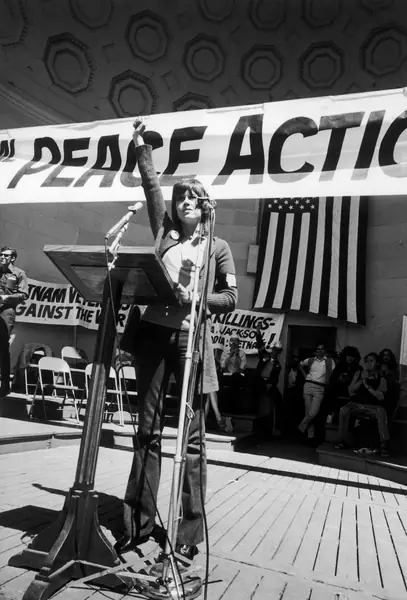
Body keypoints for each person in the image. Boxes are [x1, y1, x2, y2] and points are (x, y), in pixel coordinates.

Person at [116, 120, 237, 565]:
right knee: (146, 431)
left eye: (193, 197)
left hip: (190, 341)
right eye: (181, 196)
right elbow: (151, 188)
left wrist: (201, 297)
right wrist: (142, 148)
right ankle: (137, 523)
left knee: (192, 440)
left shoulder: (218, 246)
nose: (185, 202)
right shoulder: (163, 231)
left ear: (206, 205)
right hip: (152, 335)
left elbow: (231, 296)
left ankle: (188, 532)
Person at [335, 352, 390, 456]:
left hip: (373, 405)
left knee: (381, 412)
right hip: (357, 403)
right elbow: (350, 390)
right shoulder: (359, 374)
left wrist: (368, 386)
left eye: (371, 361)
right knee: (343, 410)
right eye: (367, 361)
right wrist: (361, 381)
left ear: (377, 363)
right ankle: (343, 440)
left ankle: (384, 444)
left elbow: (380, 396)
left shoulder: (381, 378)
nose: (368, 363)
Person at [0, 246, 28, 397]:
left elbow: (24, 295)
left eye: (6, 255)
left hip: (6, 311)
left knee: (3, 347)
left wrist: (7, 298)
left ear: (12, 258)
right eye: (1, 254)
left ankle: (4, 385)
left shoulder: (19, 273)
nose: (2, 257)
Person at [297, 342, 335, 443]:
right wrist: (305, 375)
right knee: (308, 412)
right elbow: (300, 364)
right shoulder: (311, 360)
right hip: (308, 385)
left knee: (313, 413)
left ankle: (300, 428)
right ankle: (310, 437)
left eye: (321, 349)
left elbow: (334, 374)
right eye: (318, 349)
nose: (319, 350)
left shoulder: (330, 361)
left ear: (325, 351)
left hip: (320, 388)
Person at [327, 346, 362, 423]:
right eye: (348, 355)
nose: (350, 358)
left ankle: (356, 420)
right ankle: (330, 415)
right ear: (345, 356)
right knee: (329, 390)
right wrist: (340, 380)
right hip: (338, 390)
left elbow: (360, 382)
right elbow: (332, 380)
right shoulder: (339, 366)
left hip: (352, 391)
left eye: (353, 356)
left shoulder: (358, 368)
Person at [219, 336, 247, 411]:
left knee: (236, 378)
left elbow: (242, 368)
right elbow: (222, 366)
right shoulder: (225, 352)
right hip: (227, 375)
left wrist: (237, 357)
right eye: (232, 341)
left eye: (236, 341)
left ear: (239, 343)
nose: (234, 343)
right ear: (229, 343)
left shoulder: (242, 353)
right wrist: (230, 355)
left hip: (237, 376)